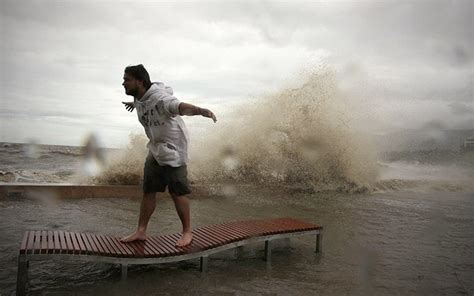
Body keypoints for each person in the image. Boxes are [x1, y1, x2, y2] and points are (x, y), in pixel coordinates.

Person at [120, 64, 216, 247]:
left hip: (174, 151)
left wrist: (201, 111)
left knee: (177, 193)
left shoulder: (161, 99)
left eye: (127, 79)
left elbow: (177, 106)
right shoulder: (141, 97)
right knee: (148, 190)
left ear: (139, 81)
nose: (123, 83)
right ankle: (141, 231)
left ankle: (187, 232)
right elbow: (145, 102)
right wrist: (134, 104)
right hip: (155, 150)